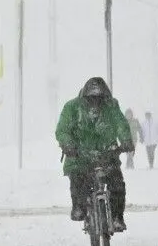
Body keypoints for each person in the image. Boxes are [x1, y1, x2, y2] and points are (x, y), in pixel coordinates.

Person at [55, 77, 135, 232]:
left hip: (107, 154)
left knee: (117, 184)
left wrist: (125, 141)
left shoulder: (111, 106)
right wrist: (69, 145)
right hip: (80, 156)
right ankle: (79, 207)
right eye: (92, 98)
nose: (95, 102)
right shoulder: (72, 108)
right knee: (78, 179)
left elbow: (121, 124)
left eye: (99, 98)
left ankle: (117, 217)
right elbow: (62, 130)